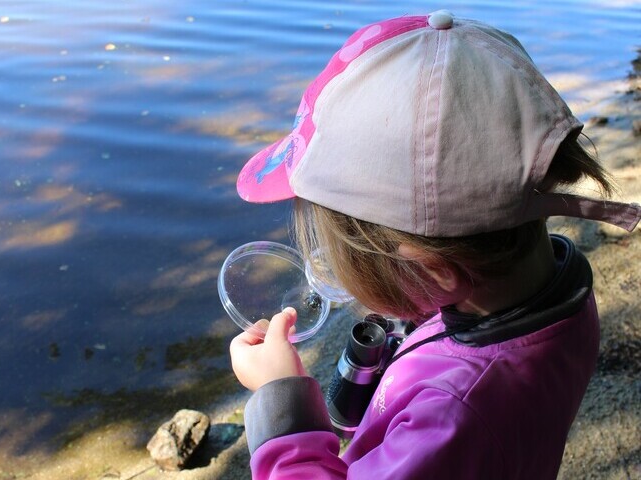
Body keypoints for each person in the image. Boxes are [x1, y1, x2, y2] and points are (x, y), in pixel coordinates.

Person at [229, 10, 641, 479]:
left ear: (436, 272)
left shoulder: (454, 415)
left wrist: (282, 404)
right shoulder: (552, 290)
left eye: (350, 259)